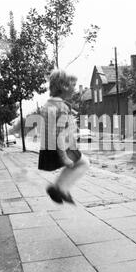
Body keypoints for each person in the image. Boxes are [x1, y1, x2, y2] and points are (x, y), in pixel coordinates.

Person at [38, 69, 90, 204]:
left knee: (76, 164)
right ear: (64, 87)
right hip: (60, 148)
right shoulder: (61, 107)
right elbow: (59, 134)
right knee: (84, 163)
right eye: (72, 85)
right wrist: (64, 157)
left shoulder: (50, 104)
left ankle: (59, 188)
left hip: (48, 149)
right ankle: (60, 188)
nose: (74, 89)